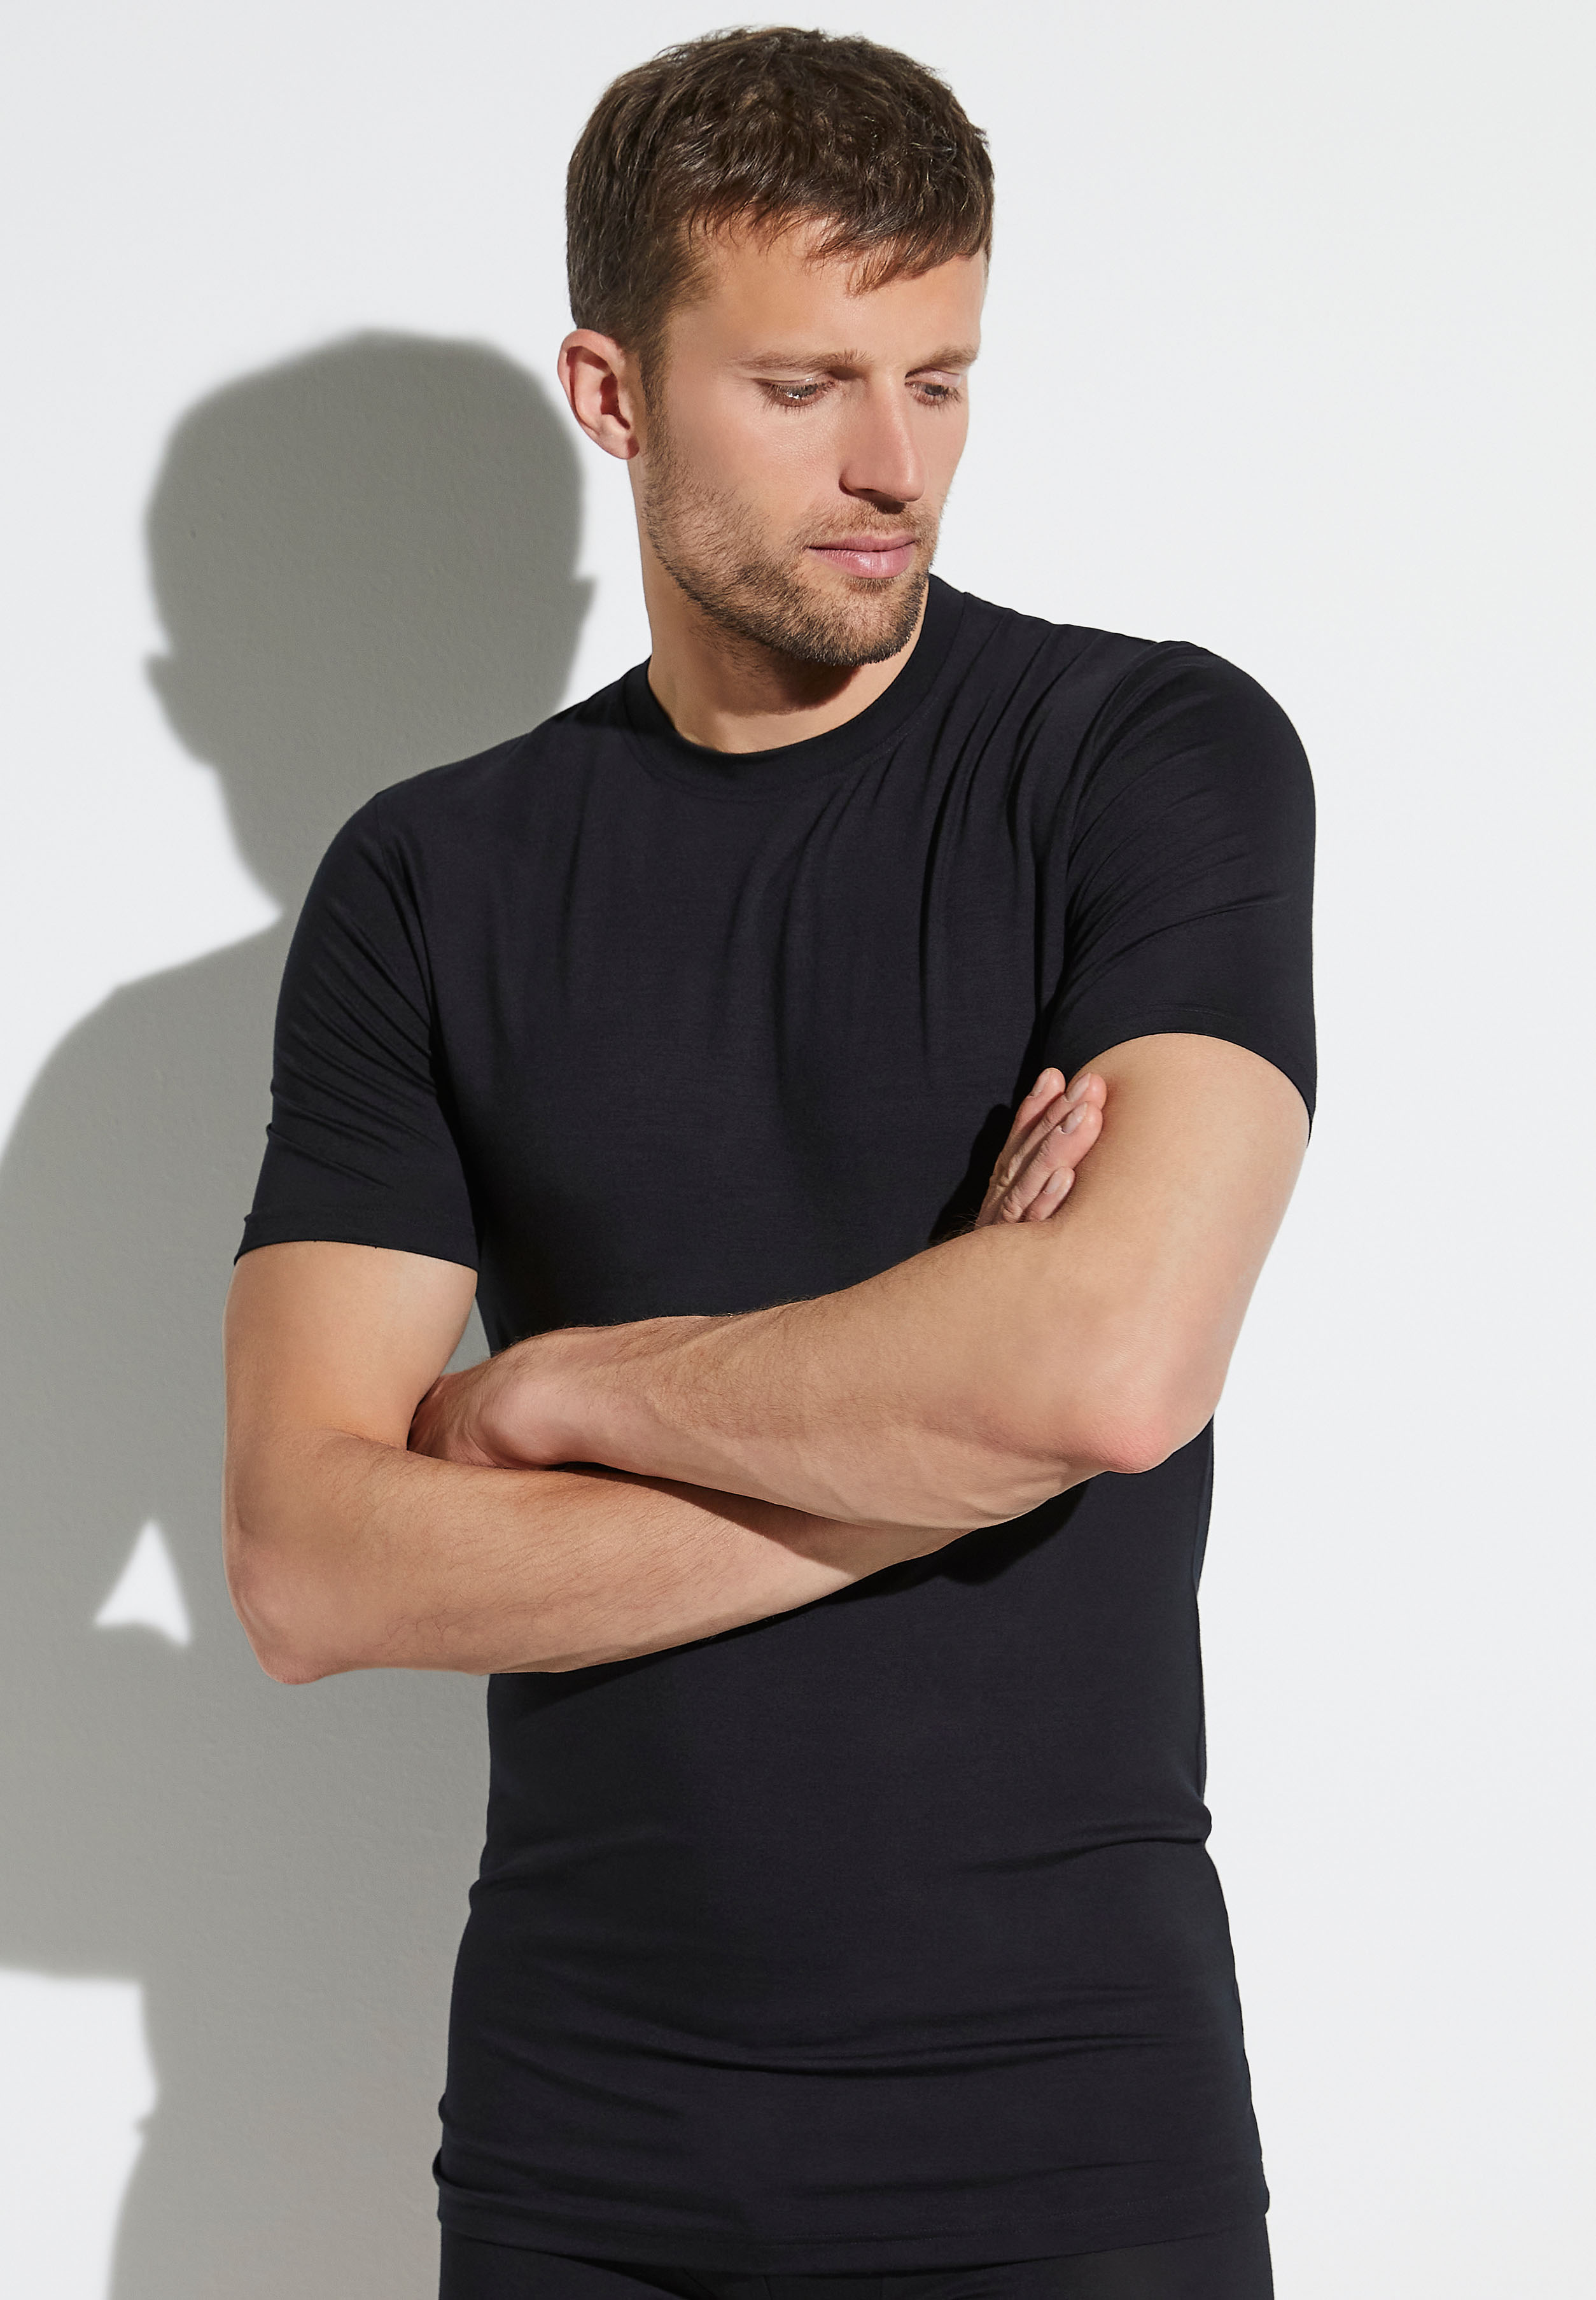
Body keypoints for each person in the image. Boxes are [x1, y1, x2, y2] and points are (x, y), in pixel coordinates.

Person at [223, 27, 1314, 2300]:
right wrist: (955, 1433)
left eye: (939, 379)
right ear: (612, 395)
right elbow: (312, 1568)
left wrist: (561, 1393)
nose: (890, 464)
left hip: (1068, 2134)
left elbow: (1109, 1374)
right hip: (582, 2144)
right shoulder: (432, 881)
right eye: (804, 386)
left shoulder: (1142, 756)